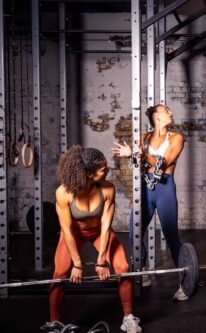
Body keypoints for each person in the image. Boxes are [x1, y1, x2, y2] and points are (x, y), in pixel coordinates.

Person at [44, 146, 141, 333]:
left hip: (99, 232)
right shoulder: (63, 193)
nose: (108, 171)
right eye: (103, 169)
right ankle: (54, 322)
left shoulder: (107, 189)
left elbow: (105, 226)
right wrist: (78, 264)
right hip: (73, 234)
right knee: (59, 274)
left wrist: (102, 260)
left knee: (123, 269)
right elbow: (66, 230)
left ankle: (128, 317)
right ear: (90, 174)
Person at [112, 104, 187, 300]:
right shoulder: (143, 138)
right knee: (134, 230)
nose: (170, 112)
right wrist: (133, 156)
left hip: (165, 188)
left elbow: (166, 162)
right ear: (156, 116)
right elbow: (137, 164)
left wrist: (139, 155)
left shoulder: (176, 138)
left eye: (171, 109)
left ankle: (186, 281)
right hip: (146, 188)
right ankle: (141, 268)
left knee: (171, 236)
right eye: (166, 110)